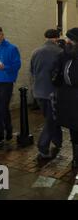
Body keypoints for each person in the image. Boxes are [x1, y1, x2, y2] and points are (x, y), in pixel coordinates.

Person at [30, 29, 63, 159]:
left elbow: (32, 71)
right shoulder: (59, 52)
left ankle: (58, 141)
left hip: (38, 92)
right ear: (57, 37)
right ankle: (43, 148)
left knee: (51, 118)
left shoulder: (36, 52)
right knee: (52, 120)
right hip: (52, 92)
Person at [0, 26, 21, 147]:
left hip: (6, 82)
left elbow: (17, 65)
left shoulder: (12, 48)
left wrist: (4, 67)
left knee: (3, 108)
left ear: (3, 35)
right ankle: (0, 134)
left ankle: (9, 128)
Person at [52, 27, 78, 170]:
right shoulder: (64, 56)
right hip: (69, 98)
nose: (67, 41)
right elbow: (59, 76)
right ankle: (76, 159)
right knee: (74, 129)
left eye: (70, 39)